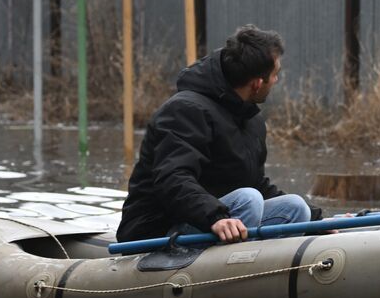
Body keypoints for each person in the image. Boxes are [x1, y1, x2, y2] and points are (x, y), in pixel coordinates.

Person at [116, 24, 316, 245]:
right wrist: (215, 216)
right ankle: (235, 270)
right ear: (257, 83)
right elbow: (172, 178)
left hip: (213, 216)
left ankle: (266, 269)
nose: (276, 81)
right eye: (275, 75)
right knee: (248, 201)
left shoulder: (250, 119)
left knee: (295, 207)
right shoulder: (185, 110)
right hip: (158, 230)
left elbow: (257, 183)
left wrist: (317, 220)